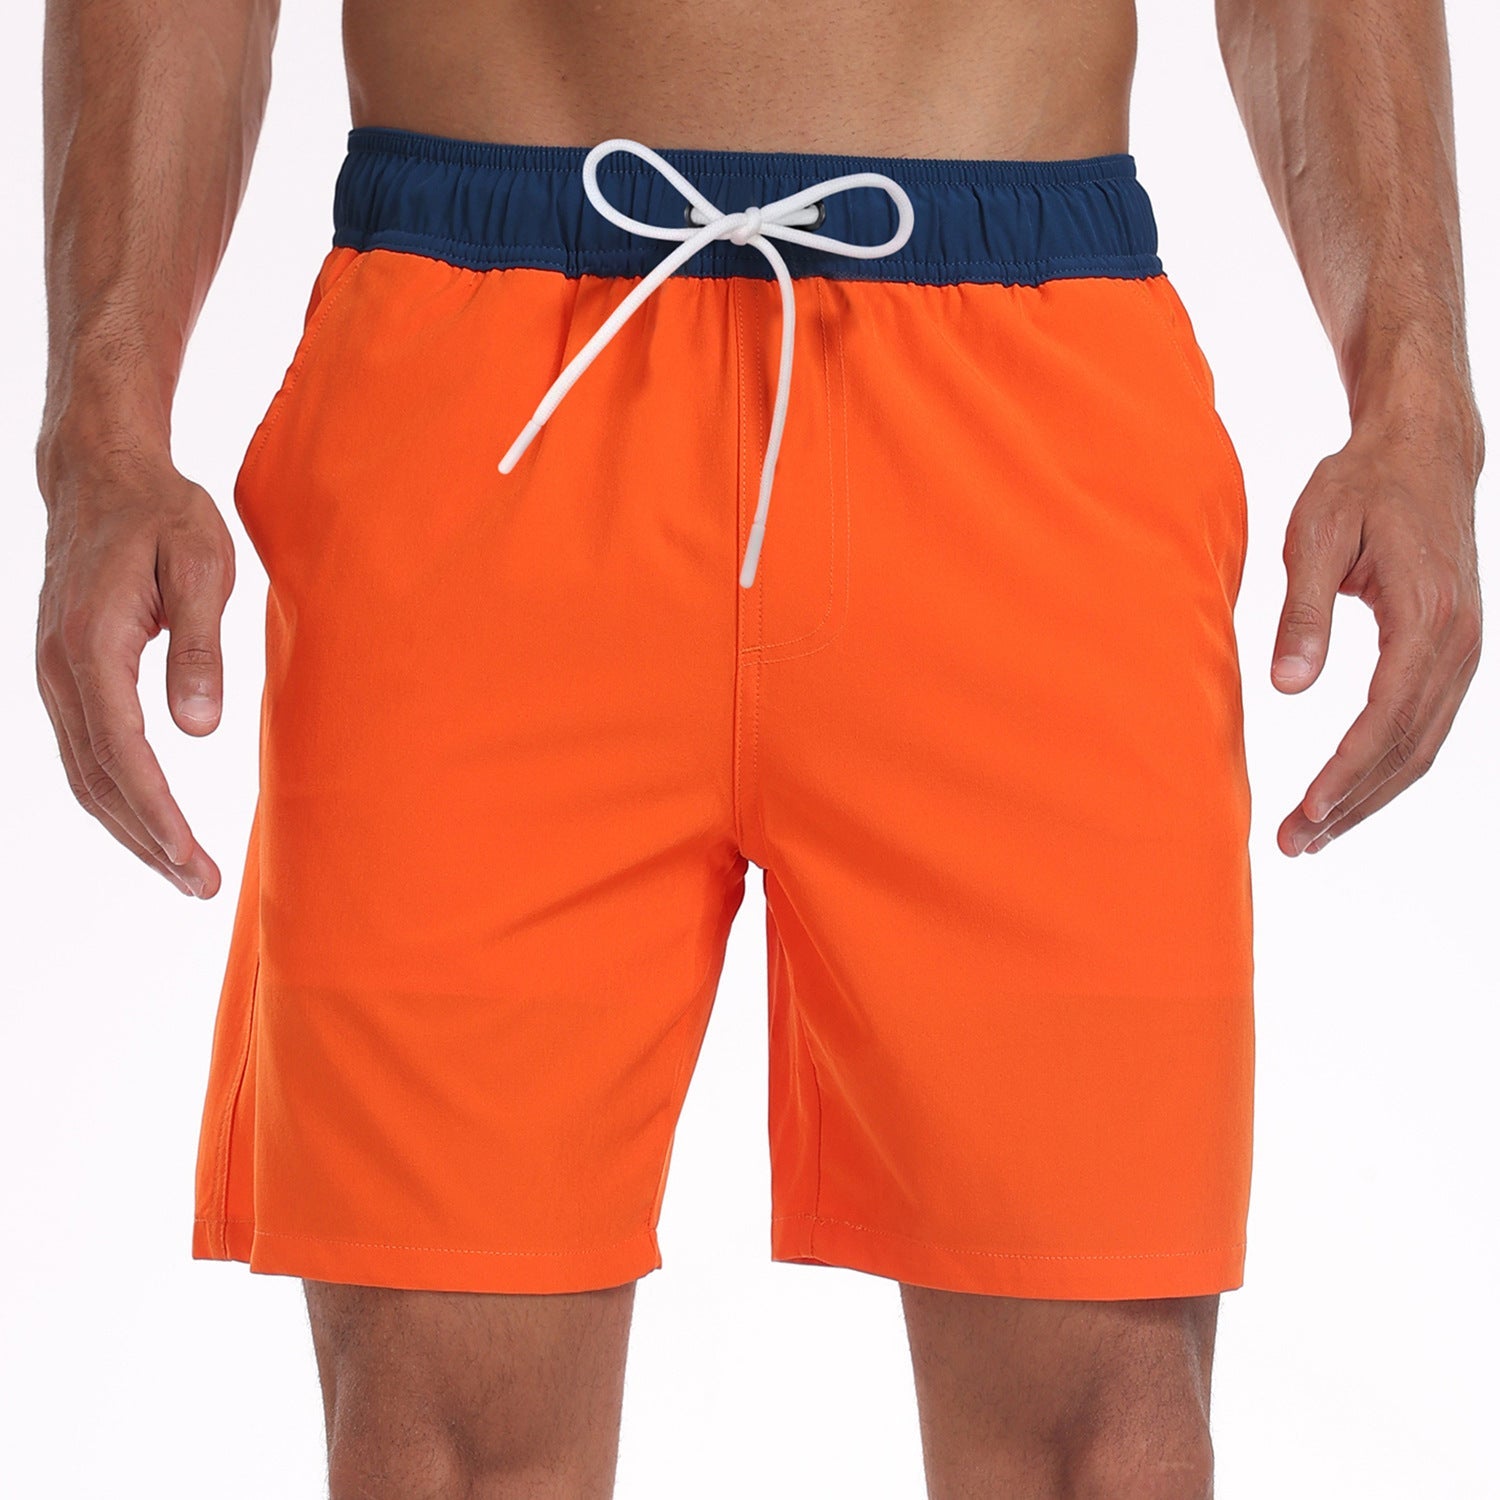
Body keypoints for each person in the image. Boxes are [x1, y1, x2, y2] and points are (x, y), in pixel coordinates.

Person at [34, 1, 1483, 1495]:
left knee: (1102, 1441)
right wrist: (103, 435)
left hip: (1024, 374)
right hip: (482, 389)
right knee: (437, 1443)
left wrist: (1419, 403)